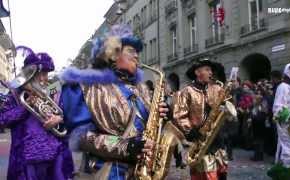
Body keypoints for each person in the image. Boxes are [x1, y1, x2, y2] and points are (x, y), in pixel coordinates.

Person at [59, 24, 168, 179]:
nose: (137, 56)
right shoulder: (86, 86)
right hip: (109, 173)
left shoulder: (140, 88)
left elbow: (149, 127)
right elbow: (81, 137)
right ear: (113, 54)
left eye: (137, 52)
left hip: (142, 171)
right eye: (131, 51)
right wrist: (126, 147)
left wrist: (162, 114)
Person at [0, 46, 74, 180]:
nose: (45, 78)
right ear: (32, 74)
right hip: (26, 160)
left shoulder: (54, 91)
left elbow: (68, 116)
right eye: (42, 74)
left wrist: (59, 119)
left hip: (54, 156)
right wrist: (24, 107)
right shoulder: (15, 94)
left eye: (47, 74)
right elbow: (2, 120)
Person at [172, 58, 228, 180]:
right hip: (200, 139)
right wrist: (191, 131)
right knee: (204, 175)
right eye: (207, 70)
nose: (211, 73)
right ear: (197, 72)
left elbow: (226, 105)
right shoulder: (187, 91)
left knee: (222, 174)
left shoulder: (216, 88)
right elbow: (179, 114)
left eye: (211, 70)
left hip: (217, 139)